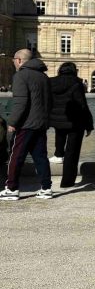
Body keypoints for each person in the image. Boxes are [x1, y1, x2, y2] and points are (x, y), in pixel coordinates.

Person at [0, 49, 53, 200]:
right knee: (41, 157)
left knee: (15, 156)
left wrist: (13, 122)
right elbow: (50, 102)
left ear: (19, 60)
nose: (13, 62)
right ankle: (46, 188)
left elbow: (20, 102)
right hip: (40, 123)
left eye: (14, 60)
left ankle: (11, 188)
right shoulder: (43, 77)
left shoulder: (21, 76)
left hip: (26, 124)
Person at [49, 62, 94, 188]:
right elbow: (82, 104)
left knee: (60, 139)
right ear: (74, 71)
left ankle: (58, 154)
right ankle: (67, 181)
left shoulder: (51, 82)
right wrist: (89, 124)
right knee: (72, 152)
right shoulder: (76, 82)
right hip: (75, 121)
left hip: (58, 120)